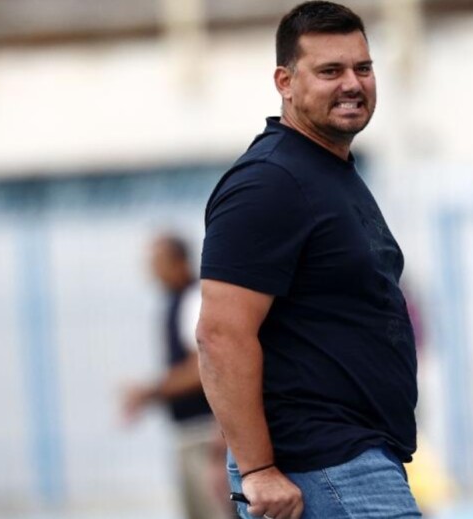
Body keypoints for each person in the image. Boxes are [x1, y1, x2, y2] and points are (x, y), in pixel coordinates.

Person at [196, 2, 421, 518]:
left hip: (353, 458)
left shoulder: (327, 171)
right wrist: (257, 470)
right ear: (286, 82)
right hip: (320, 465)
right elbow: (220, 334)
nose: (353, 84)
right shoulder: (270, 182)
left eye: (362, 68)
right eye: (330, 71)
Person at [121, 234, 228, 519]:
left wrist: (150, 392)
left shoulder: (194, 300)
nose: (153, 271)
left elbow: (202, 368)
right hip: (188, 432)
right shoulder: (175, 303)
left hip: (205, 432)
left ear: (180, 262)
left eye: (158, 263)